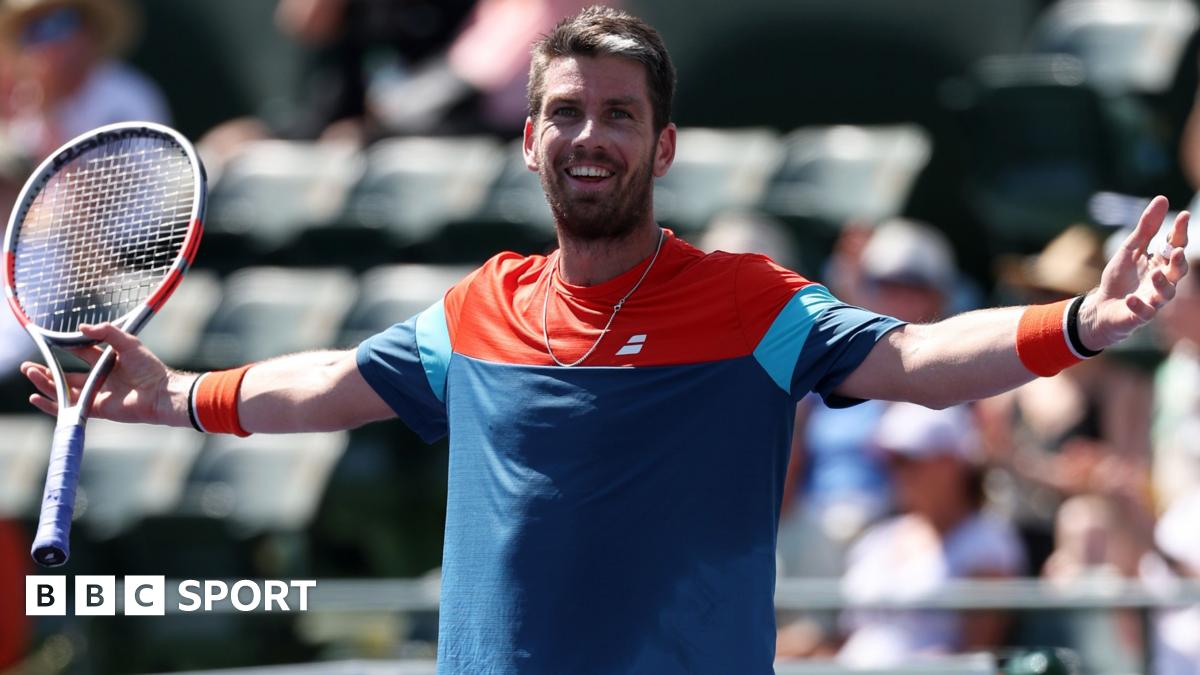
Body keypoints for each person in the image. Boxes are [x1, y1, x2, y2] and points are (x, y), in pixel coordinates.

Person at [18, 7, 1193, 673]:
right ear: (528, 142)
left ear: (662, 148)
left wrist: (1086, 322)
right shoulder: (479, 307)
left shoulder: (751, 304)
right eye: (567, 113)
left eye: (620, 116)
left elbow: (918, 361)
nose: (592, 136)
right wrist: (177, 397)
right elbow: (329, 381)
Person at [0, 0, 170, 164]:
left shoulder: (128, 98)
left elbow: (119, 189)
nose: (45, 43)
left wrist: (51, 137)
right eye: (31, 32)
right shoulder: (25, 107)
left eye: (59, 22)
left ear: (89, 29)